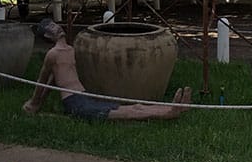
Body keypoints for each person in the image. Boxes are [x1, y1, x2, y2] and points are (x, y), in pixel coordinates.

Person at [22, 19, 191, 120]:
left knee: (133, 106)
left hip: (84, 96)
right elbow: (42, 83)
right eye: (51, 28)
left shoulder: (70, 50)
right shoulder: (53, 54)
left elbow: (52, 81)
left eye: (54, 24)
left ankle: (170, 108)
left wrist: (38, 102)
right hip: (75, 103)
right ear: (47, 36)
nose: (57, 27)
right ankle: (167, 113)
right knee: (126, 112)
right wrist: (34, 103)